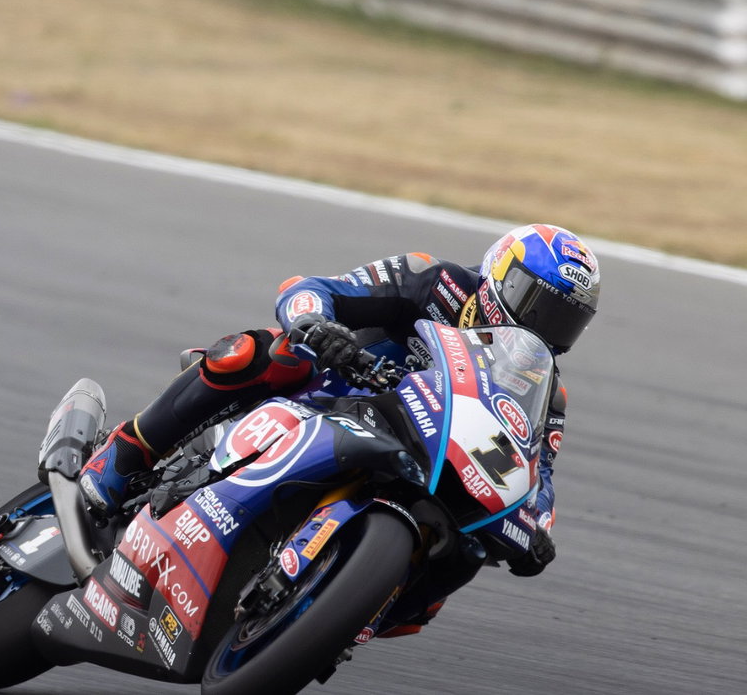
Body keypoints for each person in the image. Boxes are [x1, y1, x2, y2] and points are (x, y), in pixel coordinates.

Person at [80, 223, 599, 612]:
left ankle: (358, 610)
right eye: (536, 304)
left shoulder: (544, 388)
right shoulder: (433, 280)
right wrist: (316, 324)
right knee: (262, 352)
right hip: (330, 392)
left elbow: (536, 472)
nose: (543, 326)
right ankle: (123, 454)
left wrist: (537, 529)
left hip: (420, 453)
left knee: (471, 545)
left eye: (564, 320)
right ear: (499, 276)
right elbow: (314, 289)